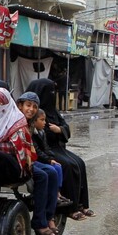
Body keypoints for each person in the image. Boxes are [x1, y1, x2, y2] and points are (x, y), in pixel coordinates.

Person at [26, 78, 95, 221]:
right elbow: (40, 135)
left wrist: (59, 129)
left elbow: (65, 128)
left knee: (80, 163)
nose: (52, 94)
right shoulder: (34, 114)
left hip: (57, 147)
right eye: (49, 92)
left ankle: (81, 204)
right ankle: (70, 208)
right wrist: (56, 131)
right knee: (68, 166)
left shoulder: (52, 112)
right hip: (46, 149)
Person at [16, 92, 60, 235]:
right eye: (28, 105)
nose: (31, 109)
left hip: (28, 159)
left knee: (53, 172)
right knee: (43, 176)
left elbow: (32, 148)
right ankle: (39, 222)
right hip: (17, 160)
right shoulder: (15, 119)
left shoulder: (29, 123)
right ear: (20, 105)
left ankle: (49, 217)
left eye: (34, 107)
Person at [31, 107, 71, 206]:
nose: (45, 122)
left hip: (44, 158)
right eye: (42, 120)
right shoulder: (32, 133)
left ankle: (58, 193)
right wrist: (48, 160)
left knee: (58, 167)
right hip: (38, 160)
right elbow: (37, 151)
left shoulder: (42, 132)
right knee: (51, 170)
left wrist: (51, 158)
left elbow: (46, 148)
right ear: (34, 121)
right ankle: (53, 196)